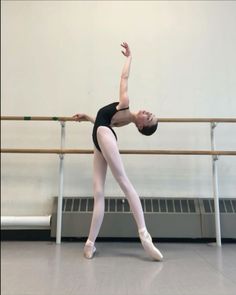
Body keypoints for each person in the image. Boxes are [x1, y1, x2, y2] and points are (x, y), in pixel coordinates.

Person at [73, 42, 163, 261]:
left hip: (102, 136)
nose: (147, 112)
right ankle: (90, 244)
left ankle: (144, 236)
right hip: (99, 136)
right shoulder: (123, 118)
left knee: (123, 181)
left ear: (141, 126)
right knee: (98, 193)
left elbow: (124, 79)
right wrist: (88, 118)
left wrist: (129, 57)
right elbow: (103, 123)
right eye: (150, 113)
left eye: (148, 117)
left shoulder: (125, 103)